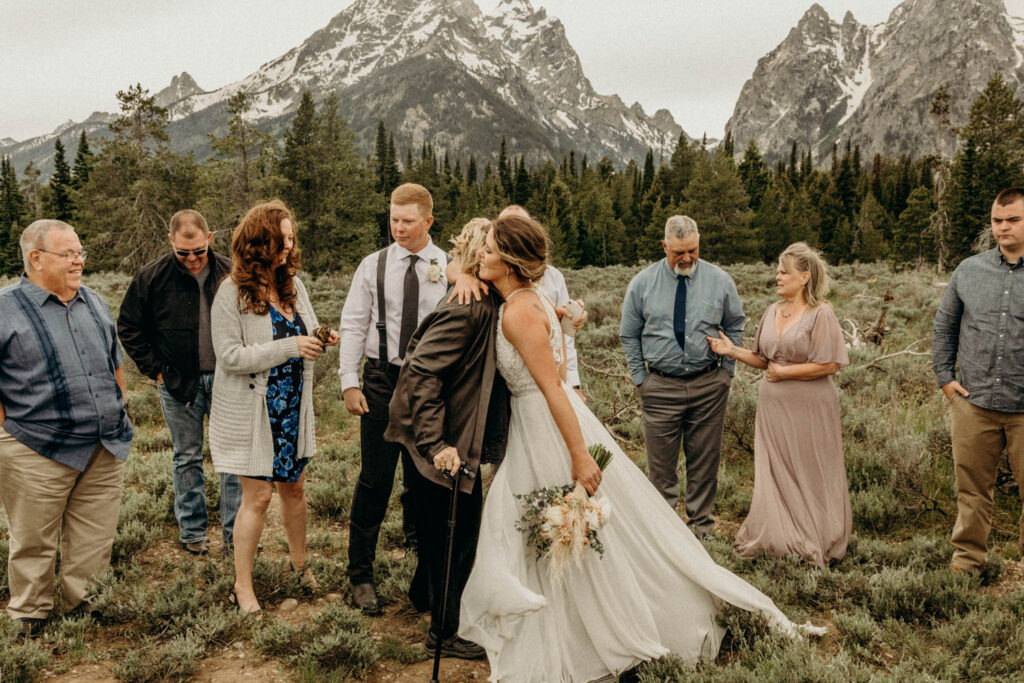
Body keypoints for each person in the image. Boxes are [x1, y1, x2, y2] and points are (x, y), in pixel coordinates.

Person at [457, 215, 819, 682]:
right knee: (541, 527)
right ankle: (560, 621)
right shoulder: (536, 300)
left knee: (555, 527)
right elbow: (562, 368)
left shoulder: (520, 311)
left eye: (487, 251)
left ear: (507, 261)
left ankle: (591, 630)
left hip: (546, 425)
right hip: (542, 424)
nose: (479, 257)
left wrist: (579, 454)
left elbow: (552, 390)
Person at [0, 220, 133, 637]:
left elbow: (114, 363)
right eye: (68, 254)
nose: (79, 261)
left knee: (95, 534)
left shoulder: (93, 301)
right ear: (36, 259)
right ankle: (29, 614)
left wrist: (118, 406)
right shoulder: (4, 307)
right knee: (33, 538)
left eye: (80, 252)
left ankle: (86, 602)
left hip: (104, 443)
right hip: (35, 445)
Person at [385, 217, 509, 660]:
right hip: (437, 438)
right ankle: (443, 632)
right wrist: (437, 445)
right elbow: (420, 372)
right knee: (454, 537)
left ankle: (425, 598)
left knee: (442, 529)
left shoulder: (483, 298)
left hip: (448, 432)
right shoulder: (468, 307)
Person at [209, 200, 338, 615]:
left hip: (292, 407)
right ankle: (242, 586)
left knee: (295, 488)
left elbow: (305, 330)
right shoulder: (232, 292)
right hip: (254, 411)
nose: (288, 247)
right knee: (259, 496)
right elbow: (228, 356)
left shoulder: (292, 286)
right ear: (258, 242)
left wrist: (320, 336)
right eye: (280, 240)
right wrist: (289, 347)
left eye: (291, 239)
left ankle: (300, 567)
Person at [338, 183, 449, 613]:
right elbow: (353, 322)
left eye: (407, 221)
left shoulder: (449, 266)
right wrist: (350, 381)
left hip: (430, 386)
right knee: (375, 479)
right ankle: (360, 574)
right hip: (381, 379)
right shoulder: (373, 265)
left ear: (428, 221)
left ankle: (426, 576)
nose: (398, 228)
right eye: (393, 219)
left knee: (425, 479)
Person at [707, 242, 851, 566]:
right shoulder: (772, 311)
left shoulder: (821, 313)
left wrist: (786, 372)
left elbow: (829, 364)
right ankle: (782, 536)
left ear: (804, 276)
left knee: (809, 469)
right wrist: (731, 351)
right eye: (777, 271)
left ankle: (817, 537)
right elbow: (762, 359)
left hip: (811, 407)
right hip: (773, 408)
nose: (778, 276)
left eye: (784, 272)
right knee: (776, 470)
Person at [118, 209, 241, 556]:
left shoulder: (231, 272)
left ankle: (235, 538)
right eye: (183, 252)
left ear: (210, 240)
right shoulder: (151, 276)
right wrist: (156, 370)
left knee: (232, 458)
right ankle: (192, 535)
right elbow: (128, 326)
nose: (191, 259)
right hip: (176, 384)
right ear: (171, 241)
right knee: (187, 457)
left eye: (198, 251)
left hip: (228, 381)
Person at [619, 215, 744, 537]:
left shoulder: (720, 280)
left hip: (708, 385)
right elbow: (629, 335)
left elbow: (734, 323)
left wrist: (726, 372)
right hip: (660, 387)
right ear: (664, 246)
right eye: (679, 252)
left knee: (704, 463)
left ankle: (701, 528)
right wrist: (640, 379)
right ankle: (666, 534)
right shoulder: (642, 284)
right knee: (661, 469)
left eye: (693, 250)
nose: (687, 258)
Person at [933, 186, 1024, 573]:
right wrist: (944, 378)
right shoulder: (969, 270)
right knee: (972, 490)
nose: (1002, 228)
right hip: (973, 403)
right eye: (997, 220)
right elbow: (945, 326)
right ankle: (968, 562)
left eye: (1013, 220)